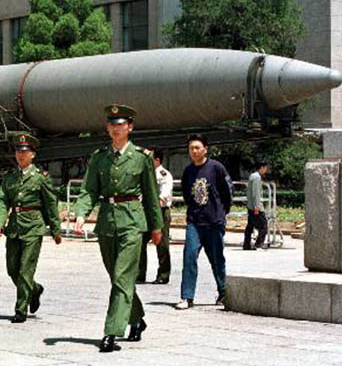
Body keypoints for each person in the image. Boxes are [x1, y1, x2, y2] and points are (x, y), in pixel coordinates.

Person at [74, 104, 163, 353]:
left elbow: (151, 195)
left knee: (123, 277)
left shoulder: (141, 158)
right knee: (117, 278)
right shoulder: (99, 157)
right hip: (107, 223)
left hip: (133, 222)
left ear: (130, 127)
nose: (115, 128)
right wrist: (81, 212)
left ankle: (111, 332)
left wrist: (156, 227)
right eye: (112, 124)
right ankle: (137, 318)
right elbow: (89, 189)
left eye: (121, 124)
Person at [0, 133, 62, 323]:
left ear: (33, 154)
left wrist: (56, 229)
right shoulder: (10, 177)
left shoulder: (41, 178)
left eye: (25, 152)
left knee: (25, 270)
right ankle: (35, 289)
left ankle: (20, 309)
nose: (21, 155)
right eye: (18, 151)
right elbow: (2, 200)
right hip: (14, 226)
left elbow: (50, 204)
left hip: (33, 226)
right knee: (12, 269)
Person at [176, 133, 233, 310]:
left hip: (214, 221)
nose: (193, 151)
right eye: (191, 148)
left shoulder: (216, 168)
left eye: (197, 148)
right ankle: (187, 296)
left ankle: (223, 291)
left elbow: (227, 192)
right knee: (189, 256)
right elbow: (187, 194)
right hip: (195, 221)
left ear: (205, 149)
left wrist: (222, 214)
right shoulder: (188, 171)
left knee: (217, 259)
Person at [137, 148, 173, 284]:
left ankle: (163, 275)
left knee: (162, 244)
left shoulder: (164, 175)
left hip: (160, 212)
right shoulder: (144, 174)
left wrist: (154, 205)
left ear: (157, 160)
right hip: (145, 212)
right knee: (140, 243)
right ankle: (139, 274)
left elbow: (164, 194)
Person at [243, 161, 269, 250]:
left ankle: (246, 244)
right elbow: (256, 193)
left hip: (250, 205)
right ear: (262, 167)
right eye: (265, 168)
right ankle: (259, 243)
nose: (266, 170)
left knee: (250, 226)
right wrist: (257, 207)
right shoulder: (257, 177)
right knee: (263, 225)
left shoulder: (252, 176)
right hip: (255, 206)